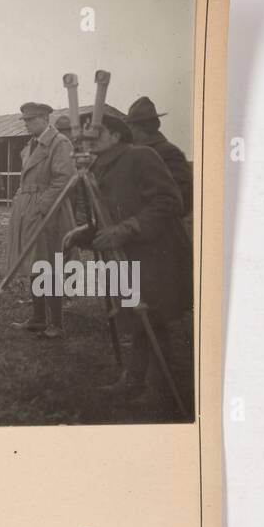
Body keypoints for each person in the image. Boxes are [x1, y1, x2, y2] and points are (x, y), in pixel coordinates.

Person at [71, 112, 191, 407]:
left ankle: (158, 387)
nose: (89, 137)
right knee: (140, 320)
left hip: (154, 251)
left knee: (152, 317)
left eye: (95, 132)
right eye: (85, 133)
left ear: (116, 135)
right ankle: (135, 379)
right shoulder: (97, 167)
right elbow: (107, 216)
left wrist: (127, 229)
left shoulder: (140, 156)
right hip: (127, 252)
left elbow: (168, 202)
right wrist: (83, 234)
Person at [8, 101, 74, 336]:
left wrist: (42, 207)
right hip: (28, 209)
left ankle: (56, 322)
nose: (26, 124)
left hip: (50, 212)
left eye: (31, 120)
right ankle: (38, 318)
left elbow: (63, 179)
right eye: (25, 120)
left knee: (50, 264)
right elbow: (25, 181)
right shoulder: (30, 146)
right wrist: (20, 204)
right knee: (35, 263)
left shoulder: (59, 143)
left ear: (45, 119)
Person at [123, 96, 193, 219]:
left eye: (131, 126)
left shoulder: (169, 153)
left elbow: (183, 197)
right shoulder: (137, 152)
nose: (129, 131)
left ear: (141, 127)